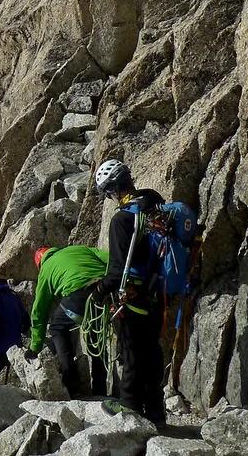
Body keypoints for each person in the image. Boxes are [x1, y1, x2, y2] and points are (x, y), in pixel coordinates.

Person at [92, 159, 167, 424]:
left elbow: (116, 270)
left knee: (130, 349)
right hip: (157, 292)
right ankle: (156, 409)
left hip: (131, 296)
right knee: (151, 347)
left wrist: (100, 290)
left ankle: (131, 405)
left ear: (112, 190)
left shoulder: (123, 220)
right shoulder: (154, 208)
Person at [27, 245, 109, 397]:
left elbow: (39, 310)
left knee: (57, 329)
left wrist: (35, 347)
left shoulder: (46, 269)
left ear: (39, 264)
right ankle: (100, 390)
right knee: (96, 338)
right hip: (105, 291)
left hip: (77, 297)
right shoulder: (80, 249)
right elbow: (109, 258)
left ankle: (72, 383)